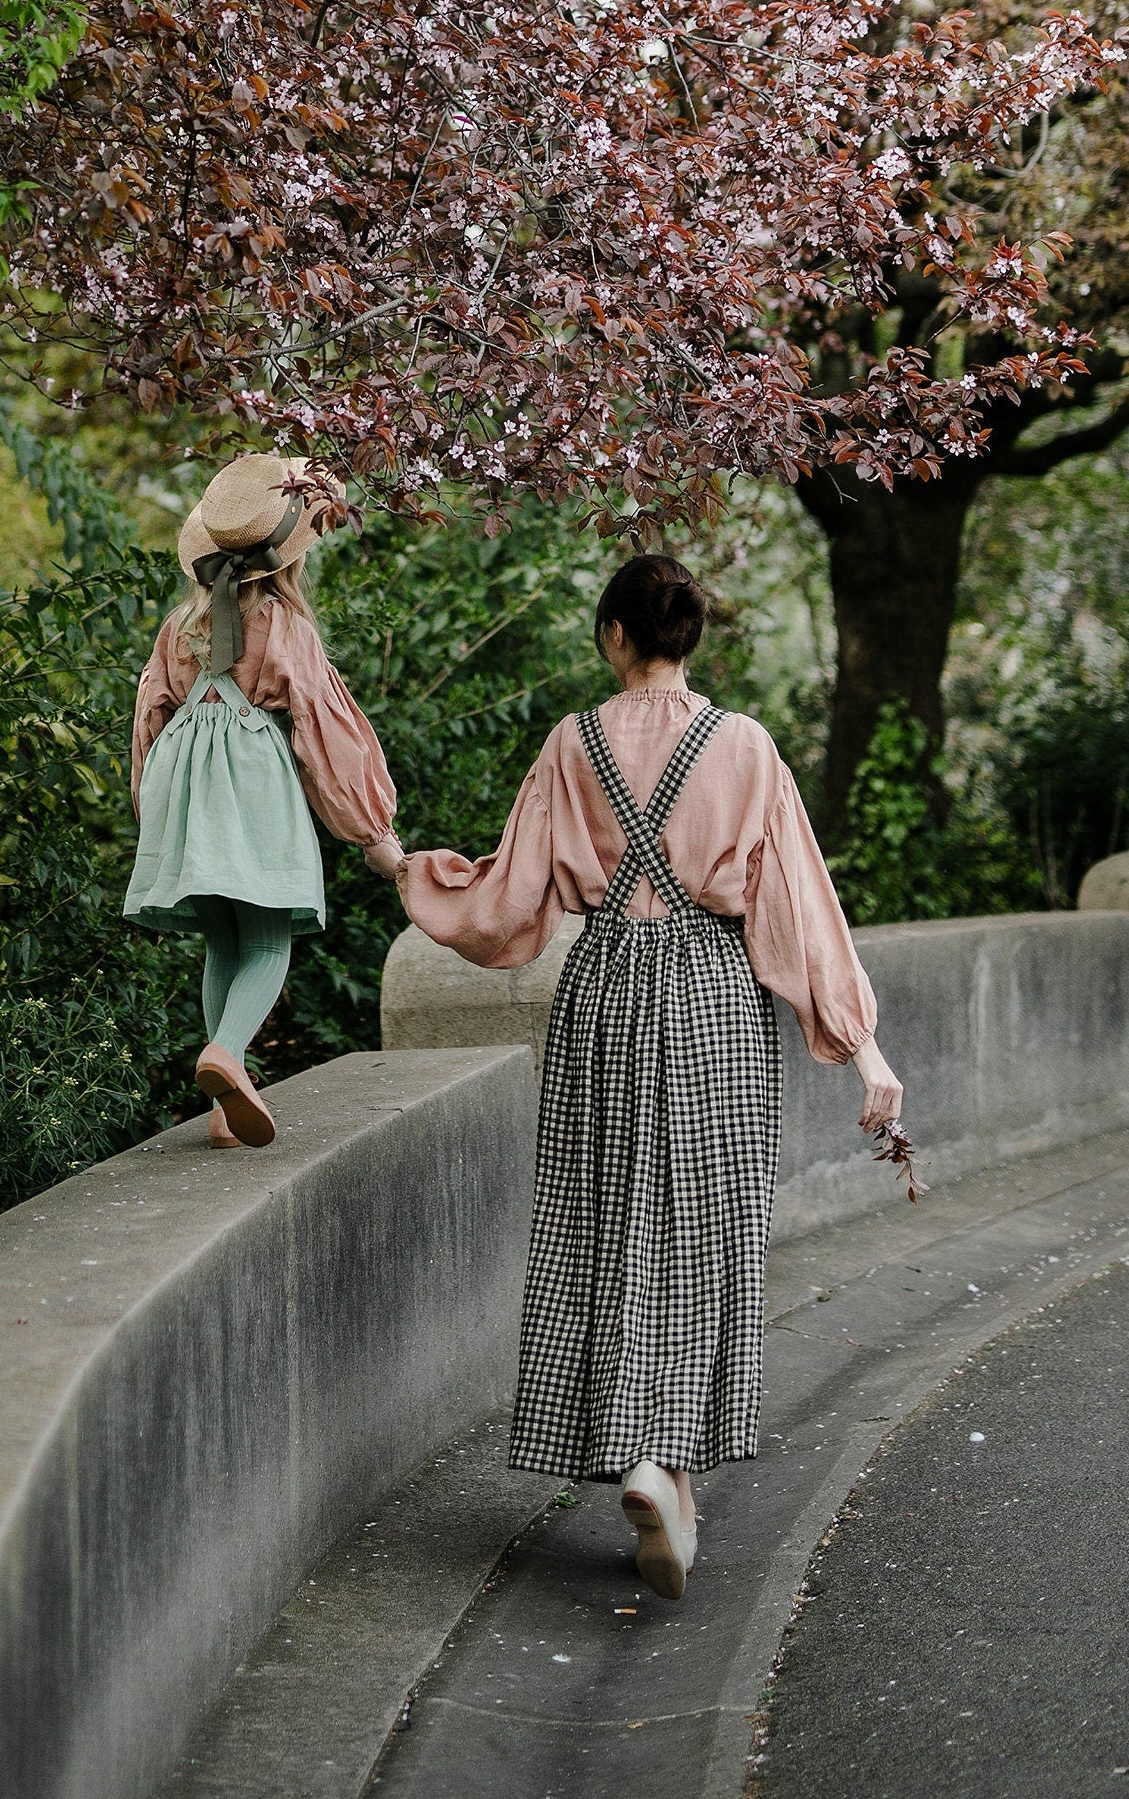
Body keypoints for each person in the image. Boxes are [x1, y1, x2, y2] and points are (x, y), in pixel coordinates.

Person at [365, 552, 903, 1601]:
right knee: (703, 1225)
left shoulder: (571, 744)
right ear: (686, 638)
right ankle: (670, 1466)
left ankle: (646, 1463)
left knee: (605, 1219)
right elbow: (793, 906)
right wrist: (860, 1046)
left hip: (605, 987)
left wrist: (405, 869)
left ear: (614, 636)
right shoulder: (743, 747)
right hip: (712, 996)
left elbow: (504, 901)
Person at [128, 453, 401, 1148]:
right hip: (250, 782)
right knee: (270, 937)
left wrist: (152, 815)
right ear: (287, 561)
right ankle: (225, 1054)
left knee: (223, 938)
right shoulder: (284, 628)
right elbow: (323, 730)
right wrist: (371, 831)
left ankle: (223, 1107)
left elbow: (149, 727)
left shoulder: (175, 630)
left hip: (182, 786)